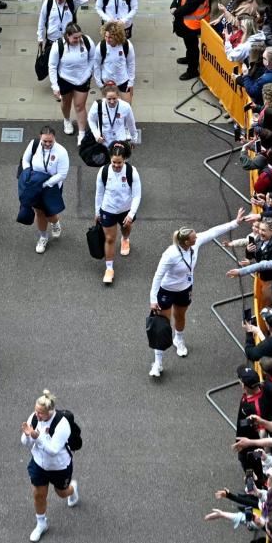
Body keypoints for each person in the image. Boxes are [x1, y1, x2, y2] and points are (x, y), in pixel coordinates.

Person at [148, 209, 246, 375]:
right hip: (166, 290)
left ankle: (178, 340)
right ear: (186, 241)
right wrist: (152, 299)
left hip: (185, 289)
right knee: (162, 325)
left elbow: (213, 231)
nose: (197, 237)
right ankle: (157, 363)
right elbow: (158, 276)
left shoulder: (195, 242)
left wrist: (235, 223)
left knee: (180, 316)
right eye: (194, 237)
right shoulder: (170, 254)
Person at [20, 389, 78, 542]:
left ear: (50, 411)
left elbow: (53, 450)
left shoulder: (62, 424)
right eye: (36, 411)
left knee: (62, 493)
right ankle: (41, 524)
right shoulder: (34, 418)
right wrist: (27, 436)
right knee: (39, 494)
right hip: (39, 464)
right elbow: (25, 442)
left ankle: (72, 489)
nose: (37, 416)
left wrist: (37, 437)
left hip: (59, 466)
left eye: (41, 413)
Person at [95, 144, 141, 284]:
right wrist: (97, 211)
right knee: (109, 239)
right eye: (113, 162)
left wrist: (131, 214)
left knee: (126, 228)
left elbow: (137, 195)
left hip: (126, 210)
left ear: (125, 159)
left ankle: (125, 239)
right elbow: (99, 193)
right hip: (108, 209)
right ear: (110, 159)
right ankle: (109, 269)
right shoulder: (103, 171)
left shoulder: (131, 172)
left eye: (119, 162)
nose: (116, 165)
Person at [21, 127, 69, 254]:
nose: (47, 144)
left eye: (50, 142)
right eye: (45, 141)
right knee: (39, 212)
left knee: (50, 213)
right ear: (40, 137)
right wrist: (27, 174)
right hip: (35, 184)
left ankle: (55, 222)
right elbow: (25, 160)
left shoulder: (61, 152)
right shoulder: (34, 144)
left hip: (52, 187)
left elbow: (62, 174)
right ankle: (43, 237)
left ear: (54, 138)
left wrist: (45, 184)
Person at [48, 23, 95, 144]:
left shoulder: (87, 41)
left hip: (82, 80)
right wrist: (55, 86)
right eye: (75, 38)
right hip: (65, 79)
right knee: (66, 102)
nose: (78, 40)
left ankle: (82, 133)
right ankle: (67, 120)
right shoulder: (58, 45)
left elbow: (92, 59)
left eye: (80, 37)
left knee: (80, 106)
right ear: (67, 36)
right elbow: (52, 66)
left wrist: (88, 73)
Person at [171, 0, 209, 81]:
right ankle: (188, 59)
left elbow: (189, 7)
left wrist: (176, 12)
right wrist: (173, 4)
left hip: (193, 24)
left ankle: (192, 70)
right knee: (188, 44)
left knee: (192, 47)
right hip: (187, 22)